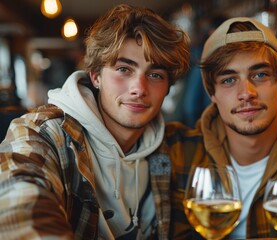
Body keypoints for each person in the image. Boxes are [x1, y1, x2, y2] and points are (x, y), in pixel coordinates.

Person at [0, 4, 189, 239]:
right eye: (123, 69)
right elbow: (17, 207)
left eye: (155, 75)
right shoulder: (42, 133)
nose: (138, 89)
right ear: (96, 76)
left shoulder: (172, 144)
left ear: (168, 88)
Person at [166, 17, 277, 239]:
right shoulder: (180, 151)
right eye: (228, 80)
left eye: (260, 75)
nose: (247, 93)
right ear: (211, 93)